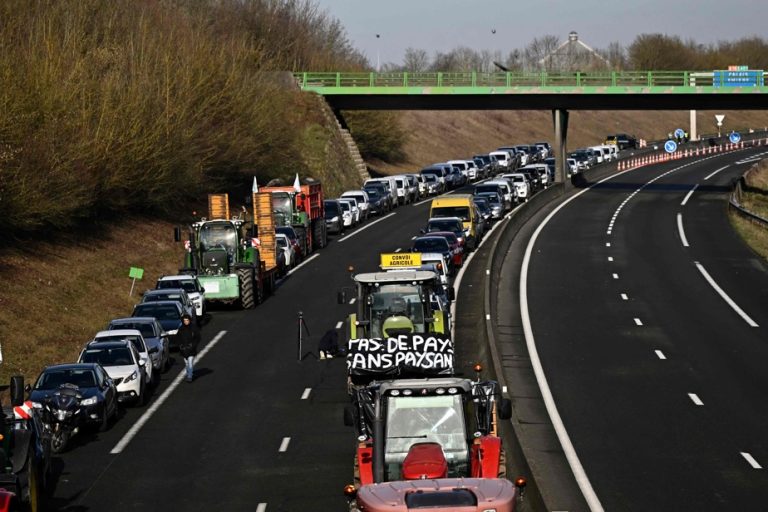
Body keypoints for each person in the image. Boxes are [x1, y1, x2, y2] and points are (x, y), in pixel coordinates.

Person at [177, 314, 201, 382]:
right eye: (184, 320)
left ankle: (189, 376)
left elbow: (198, 338)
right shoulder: (181, 329)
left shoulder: (194, 328)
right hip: (184, 350)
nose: (186, 322)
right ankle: (189, 373)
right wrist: (180, 346)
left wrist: (193, 345)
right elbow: (178, 338)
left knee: (190, 362)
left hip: (191, 349)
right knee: (186, 363)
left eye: (187, 320)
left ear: (189, 320)